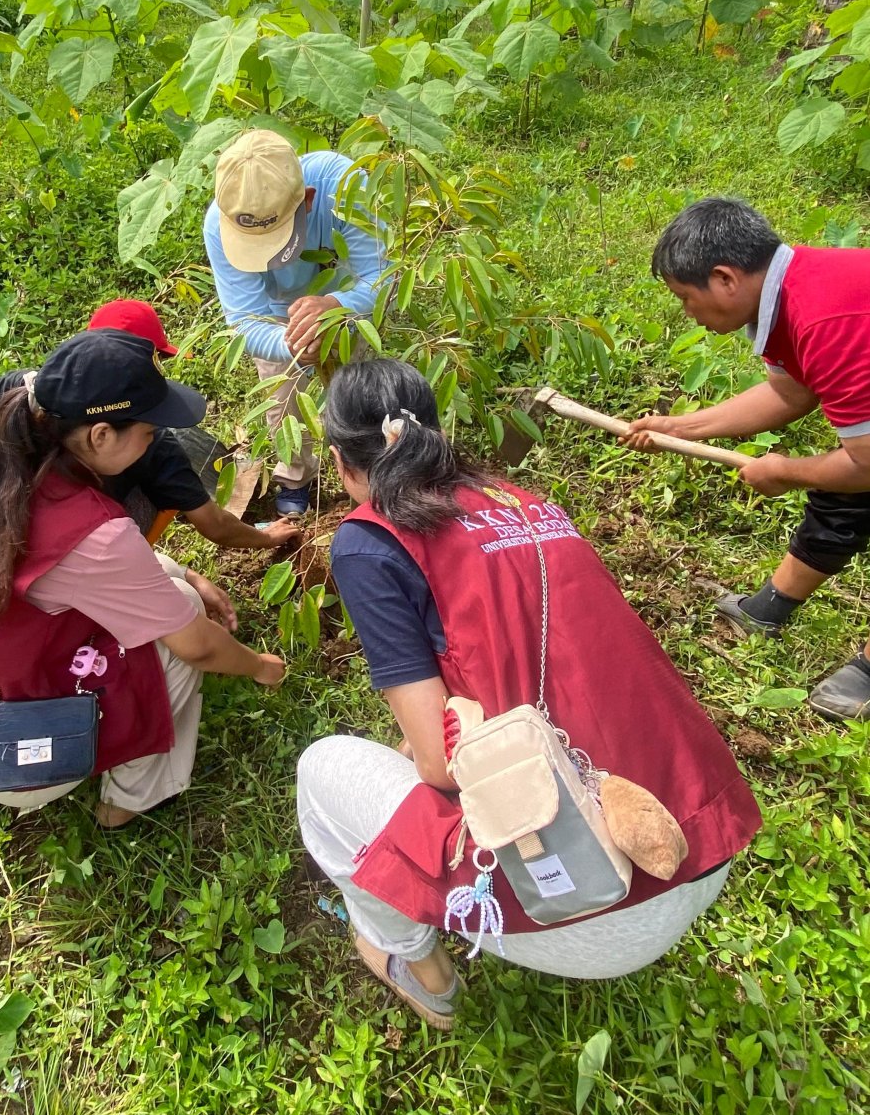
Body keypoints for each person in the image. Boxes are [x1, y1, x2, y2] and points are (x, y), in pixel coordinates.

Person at [297, 358, 760, 1031]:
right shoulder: (526, 503)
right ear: (436, 431)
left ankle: (418, 969)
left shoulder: (369, 542)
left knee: (323, 771)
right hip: (701, 850)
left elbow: (434, 766)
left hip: (593, 905)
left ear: (339, 462)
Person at [0, 329, 286, 829]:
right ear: (100, 436)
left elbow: (88, 573)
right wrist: (260, 666)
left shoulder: (12, 463)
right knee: (184, 629)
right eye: (149, 431)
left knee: (177, 594)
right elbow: (198, 646)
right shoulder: (96, 532)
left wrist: (188, 572)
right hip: (17, 756)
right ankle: (128, 799)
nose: (155, 439)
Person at [625, 198, 870, 719]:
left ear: (724, 278)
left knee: (848, 471)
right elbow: (790, 393)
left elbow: (868, 465)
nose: (686, 313)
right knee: (841, 478)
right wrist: (679, 426)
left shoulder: (828, 321)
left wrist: (784, 471)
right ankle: (771, 609)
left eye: (685, 299)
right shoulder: (788, 295)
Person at [0, 297, 298, 555]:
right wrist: (266, 537)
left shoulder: (36, 388)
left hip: (9, 497)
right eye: (156, 360)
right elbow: (214, 525)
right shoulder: (153, 443)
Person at [203, 130, 386, 517]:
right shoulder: (218, 227)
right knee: (285, 401)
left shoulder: (344, 186)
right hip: (277, 320)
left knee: (356, 395)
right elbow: (245, 322)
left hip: (344, 296)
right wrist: (295, 342)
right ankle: (296, 477)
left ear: (307, 200)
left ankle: (369, 475)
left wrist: (338, 305)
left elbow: (381, 278)